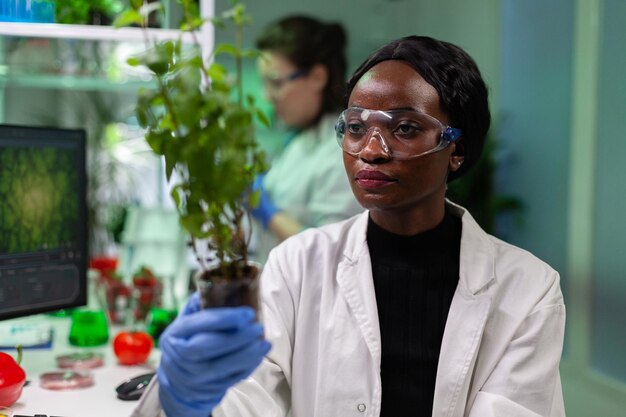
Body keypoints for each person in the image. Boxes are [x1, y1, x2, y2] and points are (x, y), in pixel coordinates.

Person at [132, 35, 566, 417]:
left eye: (405, 128)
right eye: (356, 127)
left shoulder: (528, 290)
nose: (371, 151)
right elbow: (251, 401)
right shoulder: (296, 265)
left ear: (457, 149)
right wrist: (192, 400)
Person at [248, 15, 363, 263]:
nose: (267, 97)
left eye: (276, 83)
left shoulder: (342, 152)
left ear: (317, 77)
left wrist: (268, 213)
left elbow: (332, 253)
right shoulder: (297, 138)